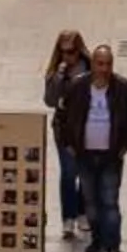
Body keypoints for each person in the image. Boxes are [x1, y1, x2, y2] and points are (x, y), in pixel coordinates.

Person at [53, 41, 127, 252]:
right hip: (84, 154)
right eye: (100, 63)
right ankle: (97, 239)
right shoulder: (77, 87)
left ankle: (113, 245)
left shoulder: (124, 88)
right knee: (91, 202)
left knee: (109, 201)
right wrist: (68, 144)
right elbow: (61, 117)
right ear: (92, 63)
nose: (104, 69)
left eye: (108, 64)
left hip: (111, 155)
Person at [41, 29, 91, 238]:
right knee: (69, 173)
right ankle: (68, 218)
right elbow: (50, 100)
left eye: (71, 51)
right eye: (63, 52)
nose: (67, 56)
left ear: (79, 50)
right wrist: (59, 76)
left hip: (88, 127)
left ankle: (82, 212)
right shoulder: (56, 71)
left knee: (86, 173)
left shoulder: (89, 68)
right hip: (64, 128)